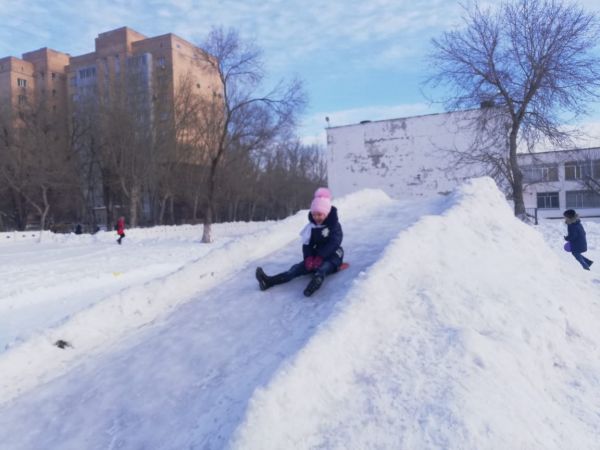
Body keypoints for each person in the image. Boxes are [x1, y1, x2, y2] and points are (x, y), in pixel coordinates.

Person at [256, 188, 344, 297]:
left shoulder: (334, 226)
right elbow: (307, 244)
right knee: (295, 270)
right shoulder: (311, 227)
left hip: (333, 255)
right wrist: (308, 258)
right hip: (316, 256)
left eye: (319, 214)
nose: (316, 217)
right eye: (314, 214)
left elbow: (335, 242)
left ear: (326, 213)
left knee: (323, 268)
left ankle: (315, 283)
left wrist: (321, 256)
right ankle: (268, 281)